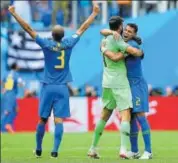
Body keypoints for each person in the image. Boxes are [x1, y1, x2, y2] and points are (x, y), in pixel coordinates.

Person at [8, 2, 100, 158]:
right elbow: (82, 28)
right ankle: (55, 151)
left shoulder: (47, 44)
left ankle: (38, 149)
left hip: (48, 86)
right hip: (62, 87)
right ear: (63, 36)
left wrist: (14, 13)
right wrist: (94, 14)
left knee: (42, 120)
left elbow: (28, 29)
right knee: (58, 120)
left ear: (52, 35)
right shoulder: (69, 43)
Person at [88, 16, 143, 159]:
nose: (124, 28)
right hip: (119, 83)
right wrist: (138, 51)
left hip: (107, 83)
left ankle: (92, 148)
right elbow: (132, 52)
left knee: (104, 116)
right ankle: (124, 150)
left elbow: (102, 32)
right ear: (119, 27)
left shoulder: (104, 40)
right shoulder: (118, 40)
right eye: (123, 26)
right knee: (125, 114)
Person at [100, 23, 152, 159]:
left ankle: (148, 151)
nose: (126, 32)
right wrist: (112, 33)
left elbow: (117, 57)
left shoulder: (132, 46)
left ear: (134, 34)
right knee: (131, 118)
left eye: (130, 31)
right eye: (125, 30)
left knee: (140, 116)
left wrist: (103, 49)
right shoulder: (121, 41)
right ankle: (134, 151)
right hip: (127, 85)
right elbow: (103, 31)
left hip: (137, 84)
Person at [1, 63, 24, 134]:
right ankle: (4, 126)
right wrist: (23, 84)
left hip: (8, 94)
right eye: (18, 65)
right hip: (10, 94)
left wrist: (4, 87)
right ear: (16, 67)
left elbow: (1, 81)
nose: (19, 66)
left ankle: (8, 125)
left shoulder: (6, 73)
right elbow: (20, 84)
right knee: (7, 111)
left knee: (16, 110)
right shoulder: (16, 74)